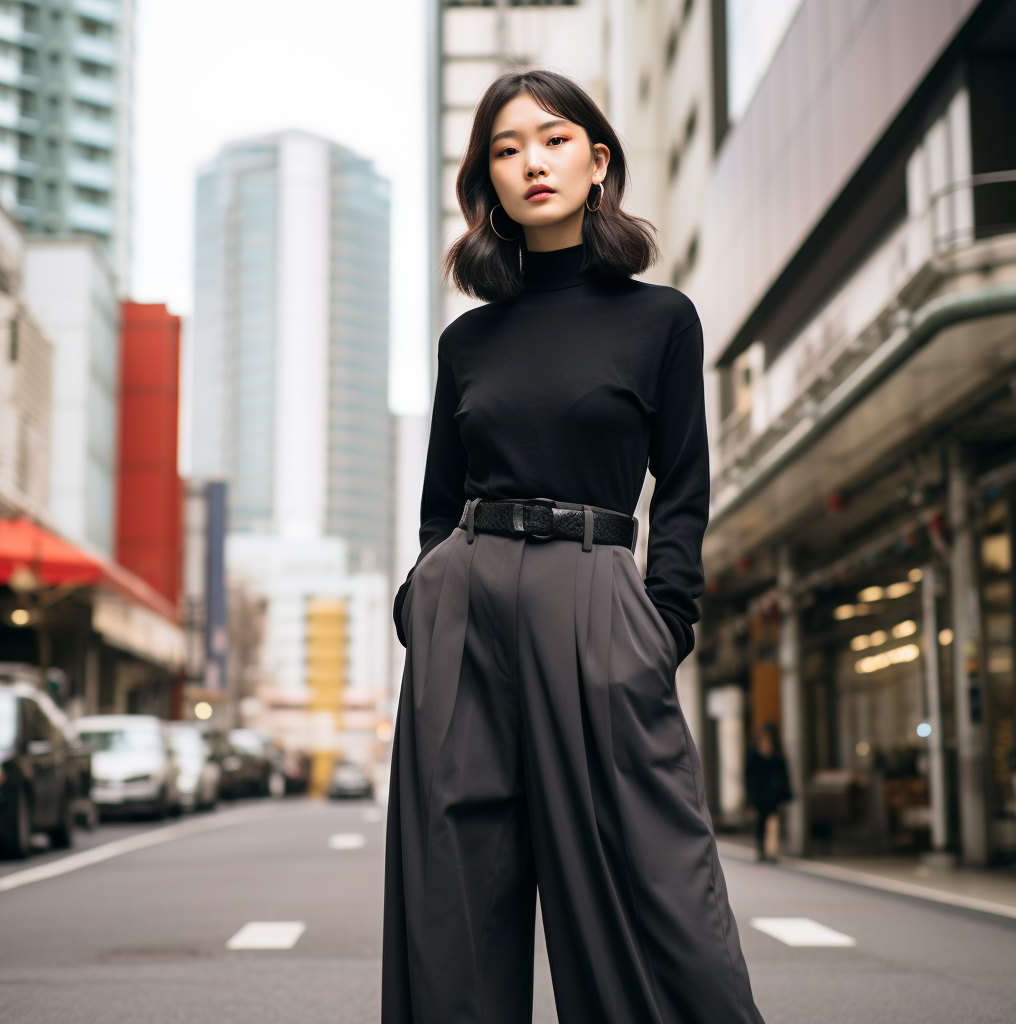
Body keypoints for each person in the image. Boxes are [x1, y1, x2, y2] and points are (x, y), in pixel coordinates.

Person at [383, 68, 766, 1024]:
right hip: (465, 609)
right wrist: (422, 600)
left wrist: (664, 619)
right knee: (455, 889)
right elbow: (438, 501)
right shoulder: (468, 341)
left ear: (598, 163)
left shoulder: (660, 319)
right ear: (489, 187)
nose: (530, 163)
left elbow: (683, 485)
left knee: (649, 878)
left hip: (596, 597)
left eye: (552, 140)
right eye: (505, 151)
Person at [745, 722, 793, 863]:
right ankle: (761, 849)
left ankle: (771, 851)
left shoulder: (777, 755)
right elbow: (748, 776)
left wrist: (785, 792)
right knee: (761, 822)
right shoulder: (754, 755)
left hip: (773, 795)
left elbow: (784, 775)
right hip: (759, 794)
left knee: (773, 822)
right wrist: (750, 795)